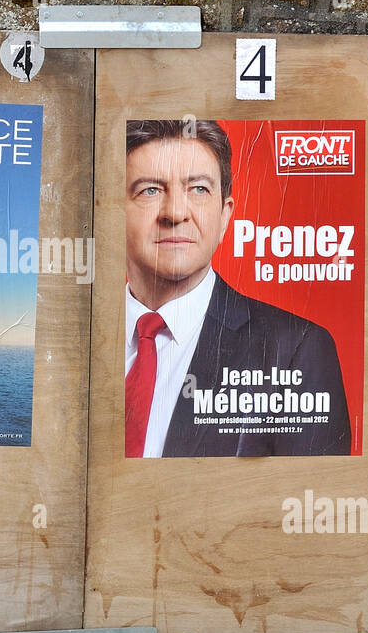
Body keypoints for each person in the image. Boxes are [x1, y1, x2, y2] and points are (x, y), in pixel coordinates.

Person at [124, 119, 350, 458]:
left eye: (198, 189)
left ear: (225, 217)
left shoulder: (295, 350)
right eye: (150, 190)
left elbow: (312, 503)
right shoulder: (74, 341)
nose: (175, 212)